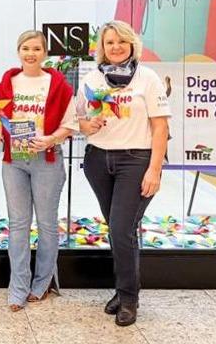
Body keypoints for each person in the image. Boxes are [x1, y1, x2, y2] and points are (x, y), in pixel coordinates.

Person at [77, 20, 170, 327]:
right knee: (119, 229)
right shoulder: (92, 78)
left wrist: (154, 170)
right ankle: (123, 290)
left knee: (121, 228)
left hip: (136, 160)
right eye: (109, 42)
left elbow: (160, 127)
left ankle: (129, 298)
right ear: (101, 48)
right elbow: (79, 119)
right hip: (98, 160)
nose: (115, 47)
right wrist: (86, 126)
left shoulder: (148, 78)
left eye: (121, 41)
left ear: (132, 44)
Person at [0, 30, 77, 311]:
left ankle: (42, 283)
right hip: (13, 160)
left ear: (45, 53)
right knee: (18, 225)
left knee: (47, 224)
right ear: (18, 51)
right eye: (26, 48)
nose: (31, 53)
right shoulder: (7, 84)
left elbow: (70, 124)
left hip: (47, 161)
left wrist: (51, 139)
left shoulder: (59, 85)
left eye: (37, 49)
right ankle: (18, 287)